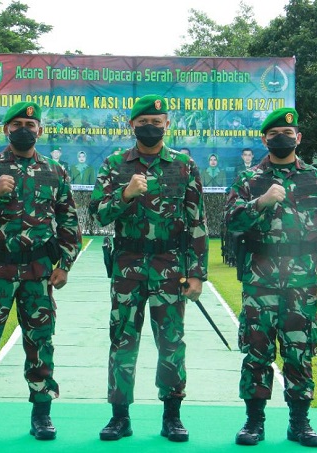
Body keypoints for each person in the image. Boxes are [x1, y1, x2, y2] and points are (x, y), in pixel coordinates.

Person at [224, 107, 317, 447]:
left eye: (288, 132)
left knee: (299, 352)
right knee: (256, 351)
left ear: (299, 138)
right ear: (264, 138)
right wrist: (260, 202)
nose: (282, 137)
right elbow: (232, 223)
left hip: (302, 283)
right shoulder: (248, 180)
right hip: (259, 282)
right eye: (274, 133)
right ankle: (254, 422)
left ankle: (300, 423)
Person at [0, 101, 81, 442]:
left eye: (31, 123)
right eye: (17, 124)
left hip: (38, 273)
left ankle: (42, 413)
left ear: (40, 130)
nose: (24, 129)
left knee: (40, 342)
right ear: (6, 130)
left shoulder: (55, 171)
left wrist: (65, 264)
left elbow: (69, 220)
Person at [90, 94, 208, 443]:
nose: (151, 127)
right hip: (127, 266)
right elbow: (97, 213)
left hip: (170, 267)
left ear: (167, 125)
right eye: (144, 122)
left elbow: (196, 222)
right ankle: (119, 416)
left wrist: (197, 273)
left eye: (157, 122)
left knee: (171, 342)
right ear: (132, 125)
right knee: (122, 341)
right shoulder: (115, 164)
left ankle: (172, 415)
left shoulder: (184, 166)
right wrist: (124, 194)